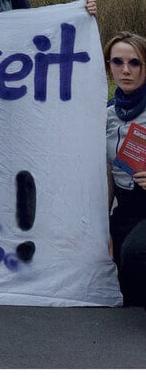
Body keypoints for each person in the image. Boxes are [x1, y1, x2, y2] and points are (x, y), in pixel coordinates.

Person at [105, 31, 146, 307]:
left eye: (135, 63)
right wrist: (100, 224)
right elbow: (107, 170)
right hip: (125, 210)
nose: (126, 70)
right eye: (117, 62)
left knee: (135, 252)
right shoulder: (106, 113)